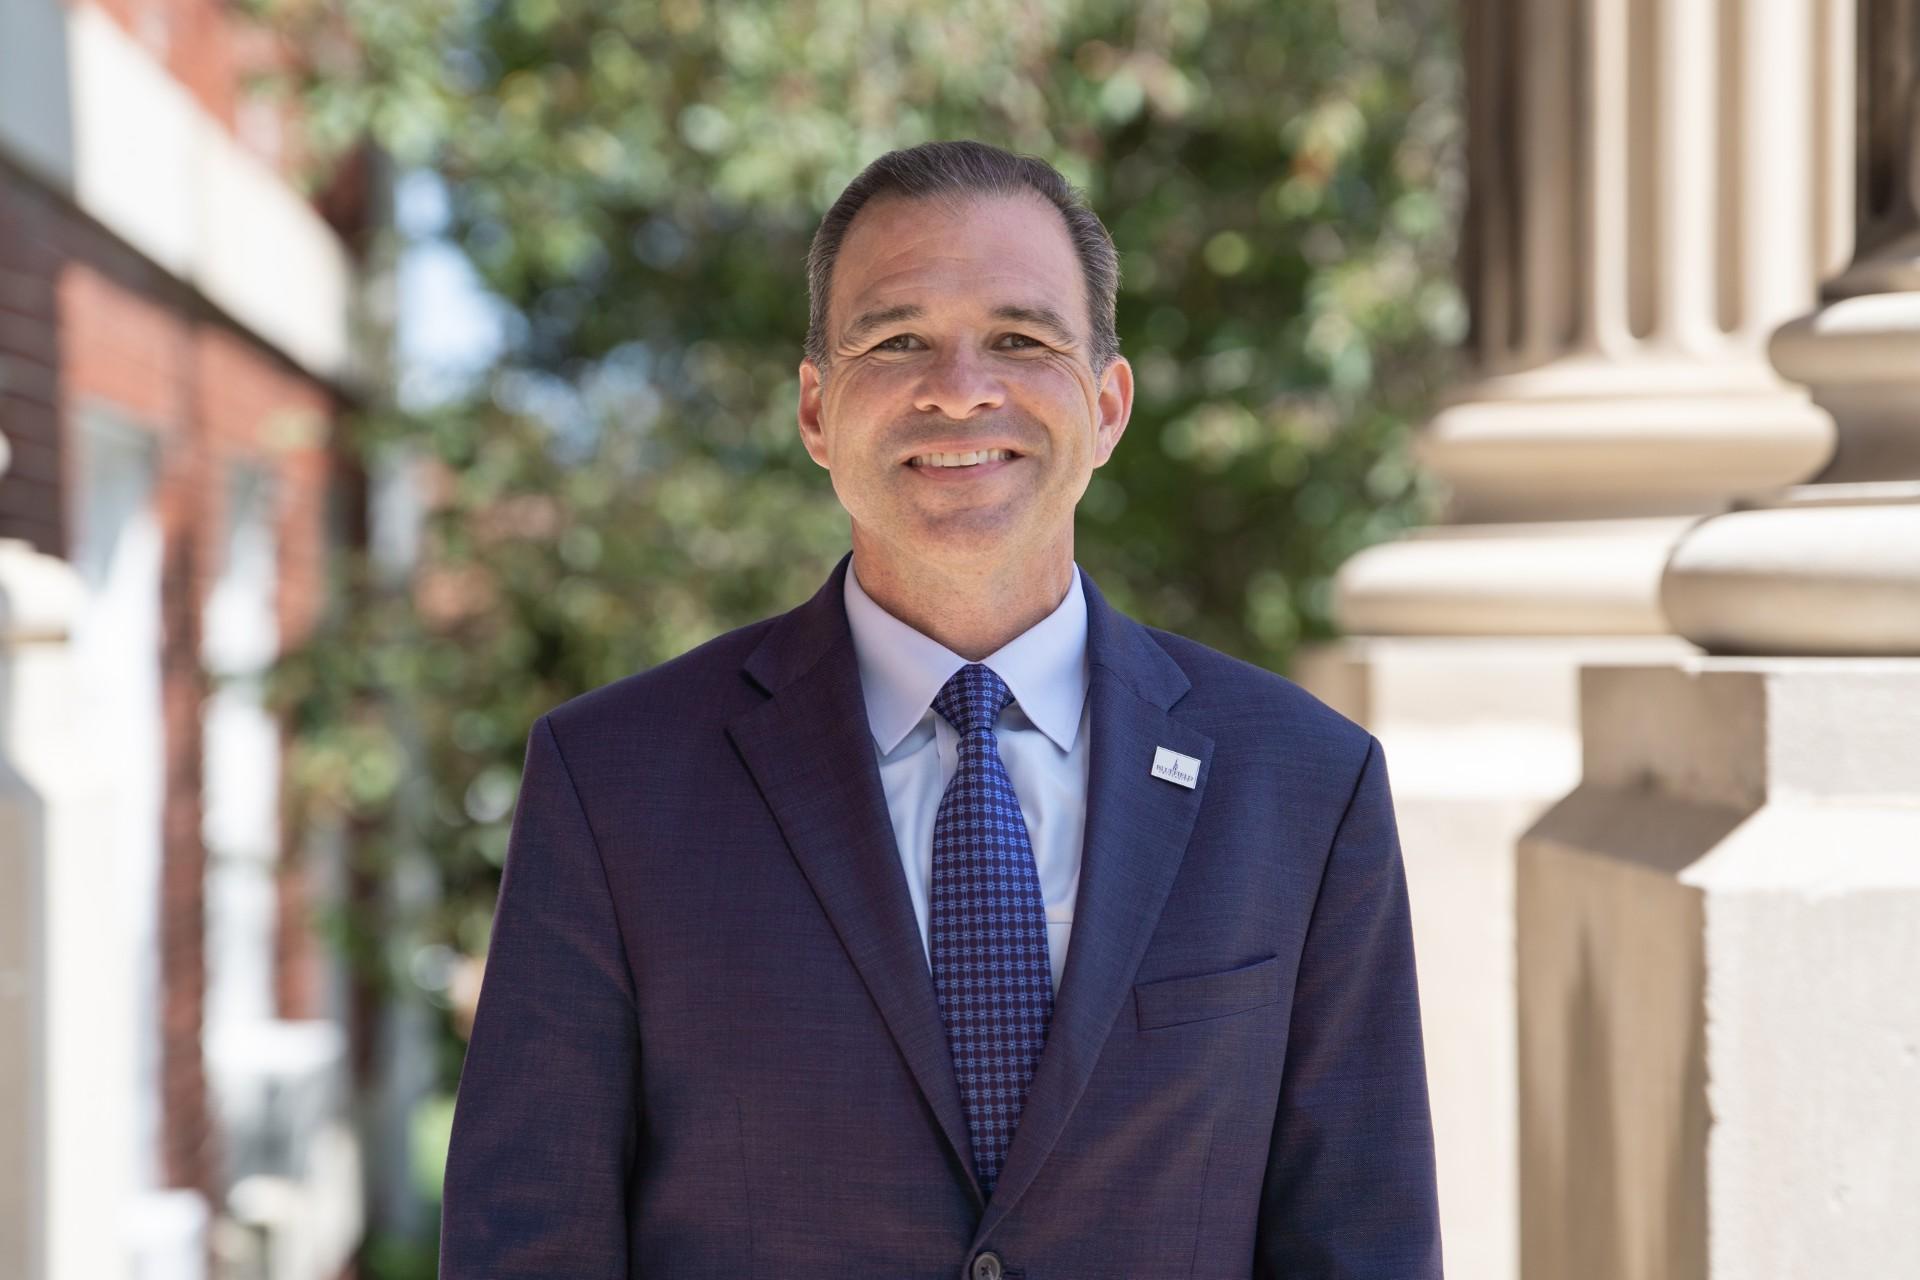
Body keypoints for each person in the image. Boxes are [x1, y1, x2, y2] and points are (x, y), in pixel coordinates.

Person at [439, 138, 1442, 1279]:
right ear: (816, 410)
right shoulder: (611, 780)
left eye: (1020, 339)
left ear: (1106, 407)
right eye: (898, 337)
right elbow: (527, 1245)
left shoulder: (1306, 785)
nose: (961, 387)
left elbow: (1363, 1244)